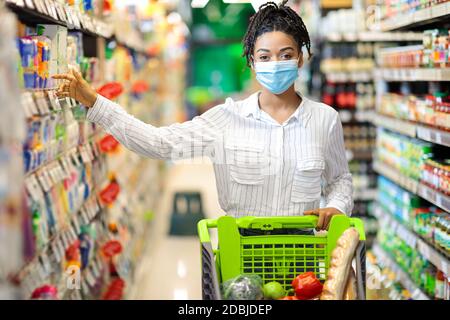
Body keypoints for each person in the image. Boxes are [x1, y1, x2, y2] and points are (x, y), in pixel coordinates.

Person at [53, 1, 353, 230]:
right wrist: (95, 102)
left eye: (286, 55)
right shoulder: (226, 119)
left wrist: (337, 206)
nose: (275, 64)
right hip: (241, 257)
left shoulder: (324, 120)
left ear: (301, 57)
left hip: (306, 261)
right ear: (251, 62)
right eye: (265, 56)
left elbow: (339, 178)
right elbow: (160, 143)